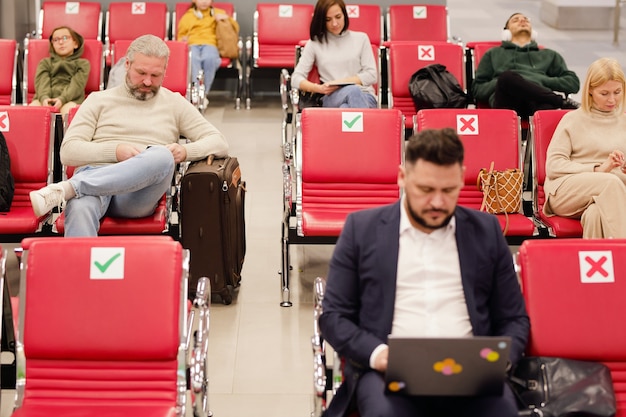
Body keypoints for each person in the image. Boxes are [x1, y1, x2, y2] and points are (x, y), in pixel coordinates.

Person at [319, 128, 530, 417]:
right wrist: (379, 355)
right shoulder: (362, 230)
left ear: (461, 178)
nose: (438, 203)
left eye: (449, 190)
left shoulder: (486, 231)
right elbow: (334, 317)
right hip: (387, 375)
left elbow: (513, 317)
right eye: (426, 190)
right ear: (402, 177)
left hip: (471, 373)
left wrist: (499, 361)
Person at [28, 34, 229, 237]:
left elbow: (218, 142)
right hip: (94, 182)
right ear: (127, 64)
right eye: (141, 72)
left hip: (137, 194)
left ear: (165, 71)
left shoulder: (174, 103)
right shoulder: (98, 100)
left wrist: (185, 151)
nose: (148, 81)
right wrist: (116, 151)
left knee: (161, 156)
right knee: (79, 209)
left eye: (156, 75)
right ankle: (80, 268)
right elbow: (68, 152)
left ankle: (69, 188)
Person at [544, 57, 626, 238]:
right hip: (567, 190)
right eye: (604, 93)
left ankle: (603, 265)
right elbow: (554, 166)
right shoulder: (572, 120)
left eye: (617, 92)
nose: (612, 99)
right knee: (609, 183)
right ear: (590, 91)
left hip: (612, 191)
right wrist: (598, 169)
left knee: (595, 215)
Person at [472, 12, 580, 118]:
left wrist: (539, 80)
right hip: (508, 101)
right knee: (507, 77)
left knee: (545, 107)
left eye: (526, 20)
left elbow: (573, 83)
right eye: (515, 20)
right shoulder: (493, 53)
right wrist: (503, 82)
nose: (522, 20)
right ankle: (561, 102)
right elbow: (477, 89)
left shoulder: (549, 55)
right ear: (506, 32)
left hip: (538, 100)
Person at [290, 0, 378, 109]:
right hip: (332, 96)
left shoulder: (361, 39)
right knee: (353, 92)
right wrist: (318, 88)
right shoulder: (315, 43)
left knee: (347, 105)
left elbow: (372, 75)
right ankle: (369, 126)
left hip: (365, 95)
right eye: (328, 19)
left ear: (344, 15)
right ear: (322, 20)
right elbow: (295, 78)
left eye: (338, 17)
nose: (334, 23)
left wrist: (340, 82)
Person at [177, 0, 239, 101]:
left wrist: (226, 19)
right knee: (193, 59)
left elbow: (235, 28)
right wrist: (183, 39)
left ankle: (203, 94)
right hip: (193, 44)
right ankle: (196, 94)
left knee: (210, 58)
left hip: (210, 44)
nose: (204, 2)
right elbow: (181, 35)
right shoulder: (188, 16)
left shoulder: (218, 13)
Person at [30, 26, 90, 115]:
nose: (61, 42)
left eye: (65, 38)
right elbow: (41, 83)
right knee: (33, 109)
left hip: (71, 99)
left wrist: (62, 99)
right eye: (56, 40)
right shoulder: (45, 62)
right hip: (44, 99)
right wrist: (44, 98)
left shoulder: (83, 64)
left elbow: (77, 85)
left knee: (69, 111)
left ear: (75, 43)